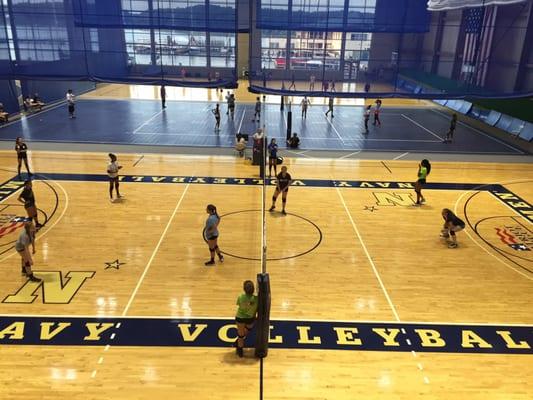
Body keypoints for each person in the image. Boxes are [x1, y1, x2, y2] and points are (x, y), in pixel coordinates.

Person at [235, 280, 258, 357]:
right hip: (250, 319)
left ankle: (240, 351)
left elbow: (239, 305)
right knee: (246, 331)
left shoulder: (240, 297)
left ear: (244, 289)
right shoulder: (256, 299)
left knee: (240, 335)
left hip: (240, 318)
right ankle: (239, 344)